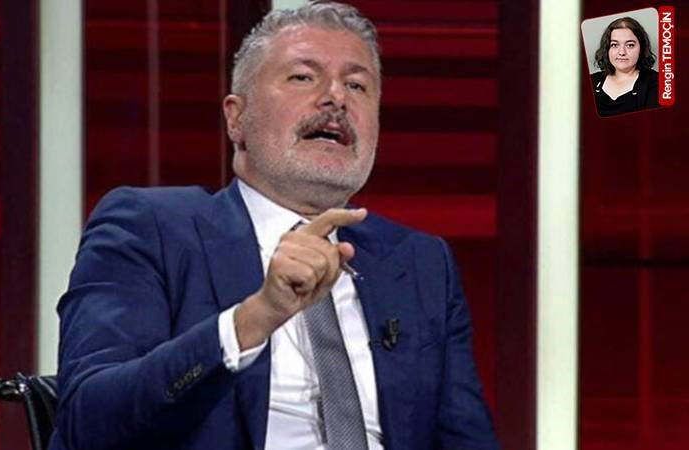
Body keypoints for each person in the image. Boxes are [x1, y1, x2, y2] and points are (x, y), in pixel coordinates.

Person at [50, 2, 499, 449]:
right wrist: (255, 317)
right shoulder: (150, 228)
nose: (336, 97)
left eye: (357, 85)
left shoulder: (420, 262)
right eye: (303, 77)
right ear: (236, 118)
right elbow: (88, 422)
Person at [590, 16, 658, 117]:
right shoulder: (590, 81)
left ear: (641, 48)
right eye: (614, 45)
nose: (622, 52)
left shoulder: (656, 82)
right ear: (607, 49)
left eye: (630, 45)